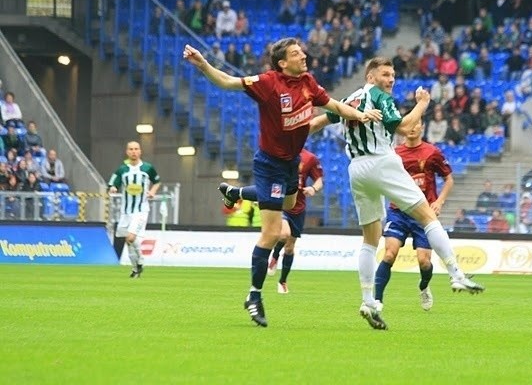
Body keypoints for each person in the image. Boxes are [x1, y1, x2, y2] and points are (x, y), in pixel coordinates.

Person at [183, 38, 380, 328]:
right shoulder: (267, 83)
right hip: (270, 165)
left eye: (302, 51)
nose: (303, 56)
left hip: (292, 164)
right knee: (273, 233)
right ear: (282, 63)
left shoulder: (308, 82)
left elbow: (335, 105)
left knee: (290, 203)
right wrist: (203, 64)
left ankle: (236, 192)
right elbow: (227, 82)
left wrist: (360, 115)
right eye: (296, 54)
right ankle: (254, 295)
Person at [310, 56, 484, 331]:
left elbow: (319, 122)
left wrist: (290, 136)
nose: (390, 80)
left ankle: (368, 301)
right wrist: (422, 104)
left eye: (393, 75)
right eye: (385, 74)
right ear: (371, 77)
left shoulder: (351, 98)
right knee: (428, 216)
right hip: (381, 160)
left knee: (370, 240)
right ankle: (456, 273)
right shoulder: (379, 96)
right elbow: (403, 127)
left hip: (356, 169)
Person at [373, 122, 454, 313]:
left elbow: (449, 179)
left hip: (423, 214)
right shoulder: (394, 153)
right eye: (409, 124)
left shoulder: (432, 152)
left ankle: (424, 286)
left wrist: (439, 201)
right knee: (389, 253)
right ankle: (377, 300)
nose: (412, 127)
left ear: (422, 127)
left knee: (424, 261)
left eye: (417, 124)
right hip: (398, 211)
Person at [267, 148, 324, 294]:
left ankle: (282, 281)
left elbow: (319, 180)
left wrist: (313, 188)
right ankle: (274, 256)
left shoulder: (310, 158)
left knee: (290, 247)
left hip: (298, 207)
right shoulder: (280, 153)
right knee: (284, 234)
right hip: (282, 204)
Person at [107, 141, 161, 279]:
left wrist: (153, 191)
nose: (133, 151)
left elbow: (157, 181)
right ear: (127, 152)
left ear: (140, 151)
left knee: (131, 237)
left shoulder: (148, 168)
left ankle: (141, 259)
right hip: (126, 211)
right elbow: (113, 183)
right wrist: (113, 188)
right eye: (131, 149)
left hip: (141, 210)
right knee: (129, 240)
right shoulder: (122, 170)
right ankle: (136, 268)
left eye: (136, 149)